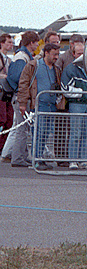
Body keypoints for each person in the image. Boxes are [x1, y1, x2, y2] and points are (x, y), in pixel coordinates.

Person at [19, 41, 62, 171]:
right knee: (38, 132)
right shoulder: (33, 66)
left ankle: (40, 157)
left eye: (58, 54)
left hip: (51, 105)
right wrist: (22, 103)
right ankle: (36, 159)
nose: (56, 57)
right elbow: (23, 84)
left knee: (46, 133)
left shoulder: (56, 69)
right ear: (46, 53)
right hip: (39, 105)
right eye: (54, 54)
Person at [60, 47, 87, 171]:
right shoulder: (70, 69)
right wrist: (82, 93)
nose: (82, 55)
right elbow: (65, 89)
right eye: (79, 53)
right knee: (75, 133)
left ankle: (83, 160)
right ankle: (73, 160)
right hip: (76, 104)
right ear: (74, 54)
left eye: (83, 52)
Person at [6, 32, 39, 167]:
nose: (37, 45)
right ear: (31, 43)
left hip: (19, 96)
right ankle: (17, 157)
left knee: (22, 128)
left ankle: (21, 156)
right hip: (20, 97)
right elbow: (18, 77)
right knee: (21, 129)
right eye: (36, 42)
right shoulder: (22, 57)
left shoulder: (22, 56)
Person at [0, 33, 14, 154]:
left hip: (7, 92)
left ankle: (3, 146)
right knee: (2, 119)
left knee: (9, 120)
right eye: (8, 42)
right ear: (2, 43)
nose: (11, 45)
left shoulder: (9, 59)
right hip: (1, 92)